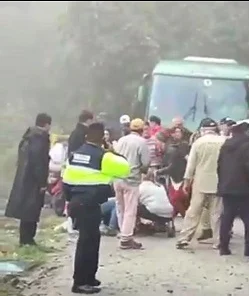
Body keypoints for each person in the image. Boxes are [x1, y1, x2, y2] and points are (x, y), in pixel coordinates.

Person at [63, 122, 130, 294]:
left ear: (86, 137)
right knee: (87, 242)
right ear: (102, 138)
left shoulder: (74, 154)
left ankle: (89, 277)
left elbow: (66, 180)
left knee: (91, 240)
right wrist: (109, 149)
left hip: (77, 202)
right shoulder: (104, 157)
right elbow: (125, 168)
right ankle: (79, 282)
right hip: (90, 204)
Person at [176, 118, 225, 250]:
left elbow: (191, 164)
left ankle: (184, 237)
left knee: (194, 211)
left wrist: (187, 182)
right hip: (218, 181)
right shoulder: (224, 141)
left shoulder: (198, 143)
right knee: (217, 213)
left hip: (200, 181)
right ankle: (219, 240)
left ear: (203, 130)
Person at [5, 113, 52, 246]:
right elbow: (39, 162)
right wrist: (42, 182)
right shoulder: (40, 138)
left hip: (24, 178)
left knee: (26, 210)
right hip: (34, 181)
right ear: (46, 124)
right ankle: (28, 239)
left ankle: (25, 238)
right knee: (32, 210)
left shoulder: (28, 137)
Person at [216, 122, 249, 256]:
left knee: (227, 217)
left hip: (227, 187)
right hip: (244, 188)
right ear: (247, 131)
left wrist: (222, 183)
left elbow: (219, 166)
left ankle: (223, 247)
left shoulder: (225, 145)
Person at [113, 118, 150, 249]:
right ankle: (126, 237)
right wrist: (143, 170)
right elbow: (145, 163)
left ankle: (122, 232)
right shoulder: (142, 142)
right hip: (132, 180)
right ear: (141, 130)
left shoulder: (122, 140)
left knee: (120, 207)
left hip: (117, 178)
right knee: (130, 209)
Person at [156, 127, 190, 217]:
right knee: (176, 199)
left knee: (175, 199)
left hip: (179, 177)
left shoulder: (176, 148)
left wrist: (158, 172)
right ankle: (172, 218)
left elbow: (172, 166)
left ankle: (185, 217)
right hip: (177, 176)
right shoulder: (173, 147)